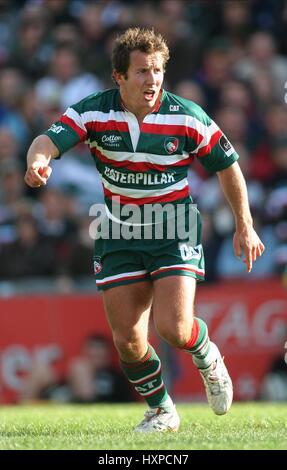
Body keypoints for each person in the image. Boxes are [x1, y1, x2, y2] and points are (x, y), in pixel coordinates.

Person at [24, 28, 265, 432]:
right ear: (119, 76)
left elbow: (227, 166)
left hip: (174, 227)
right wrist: (37, 163)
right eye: (142, 72)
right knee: (129, 342)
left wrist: (245, 224)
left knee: (173, 329)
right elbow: (46, 140)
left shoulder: (187, 116)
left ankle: (206, 354)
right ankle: (161, 410)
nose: (152, 80)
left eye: (157, 71)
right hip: (118, 229)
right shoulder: (94, 112)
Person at [21, 334, 134, 403]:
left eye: (99, 357)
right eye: (91, 356)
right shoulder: (78, 367)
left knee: (79, 368)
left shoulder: (115, 378)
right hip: (61, 396)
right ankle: (20, 411)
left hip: (85, 404)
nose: (94, 361)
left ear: (107, 357)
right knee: (40, 369)